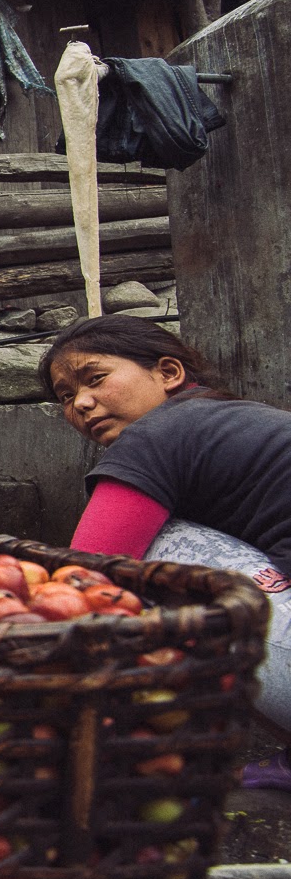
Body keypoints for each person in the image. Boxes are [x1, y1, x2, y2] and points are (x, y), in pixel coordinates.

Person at [42, 315, 291, 789]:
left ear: (169, 373)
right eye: (66, 396)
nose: (83, 403)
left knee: (150, 552)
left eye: (95, 379)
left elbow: (84, 577)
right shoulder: (232, 421)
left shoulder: (157, 433)